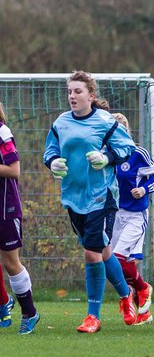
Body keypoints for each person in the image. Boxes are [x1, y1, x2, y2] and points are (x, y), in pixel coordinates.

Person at [43, 70, 139, 333]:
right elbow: (50, 149)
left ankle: (92, 316)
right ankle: (126, 295)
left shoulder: (105, 122)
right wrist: (53, 162)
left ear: (91, 95)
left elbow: (126, 147)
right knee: (103, 250)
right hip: (74, 197)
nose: (72, 96)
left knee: (91, 251)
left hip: (102, 196)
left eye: (78, 91)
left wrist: (106, 157)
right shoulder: (61, 122)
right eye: (70, 92)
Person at [109, 113, 154, 325]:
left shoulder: (138, 153)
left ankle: (141, 288)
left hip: (135, 215)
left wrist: (144, 188)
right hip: (113, 214)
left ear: (128, 132)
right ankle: (144, 312)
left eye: (122, 130)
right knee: (119, 262)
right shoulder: (107, 154)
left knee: (118, 259)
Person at [0, 102, 39, 334]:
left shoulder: (2, 131)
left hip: (6, 208)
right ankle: (4, 304)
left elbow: (14, 170)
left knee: (10, 262)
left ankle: (30, 312)